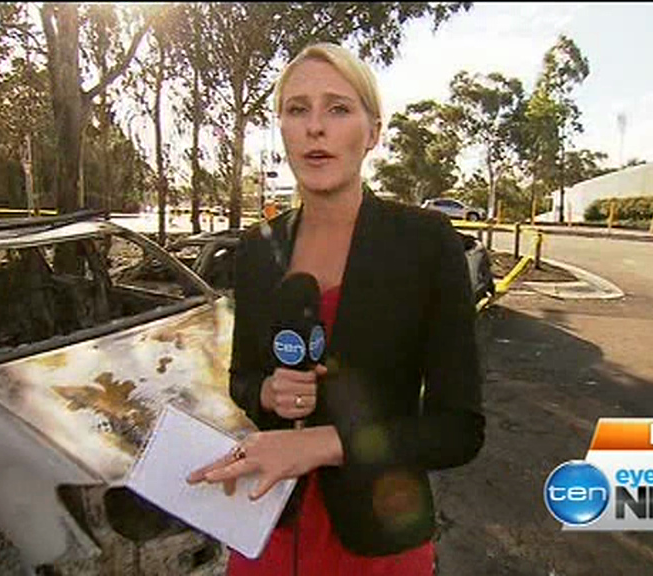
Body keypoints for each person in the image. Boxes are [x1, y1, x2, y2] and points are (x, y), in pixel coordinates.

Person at [187, 42, 485, 575]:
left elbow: (458, 430)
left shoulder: (425, 243)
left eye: (339, 108)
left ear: (372, 133)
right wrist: (268, 392)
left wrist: (322, 444)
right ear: (282, 128)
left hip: (379, 540)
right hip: (266, 528)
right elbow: (241, 379)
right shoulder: (257, 248)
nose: (315, 127)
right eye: (297, 109)